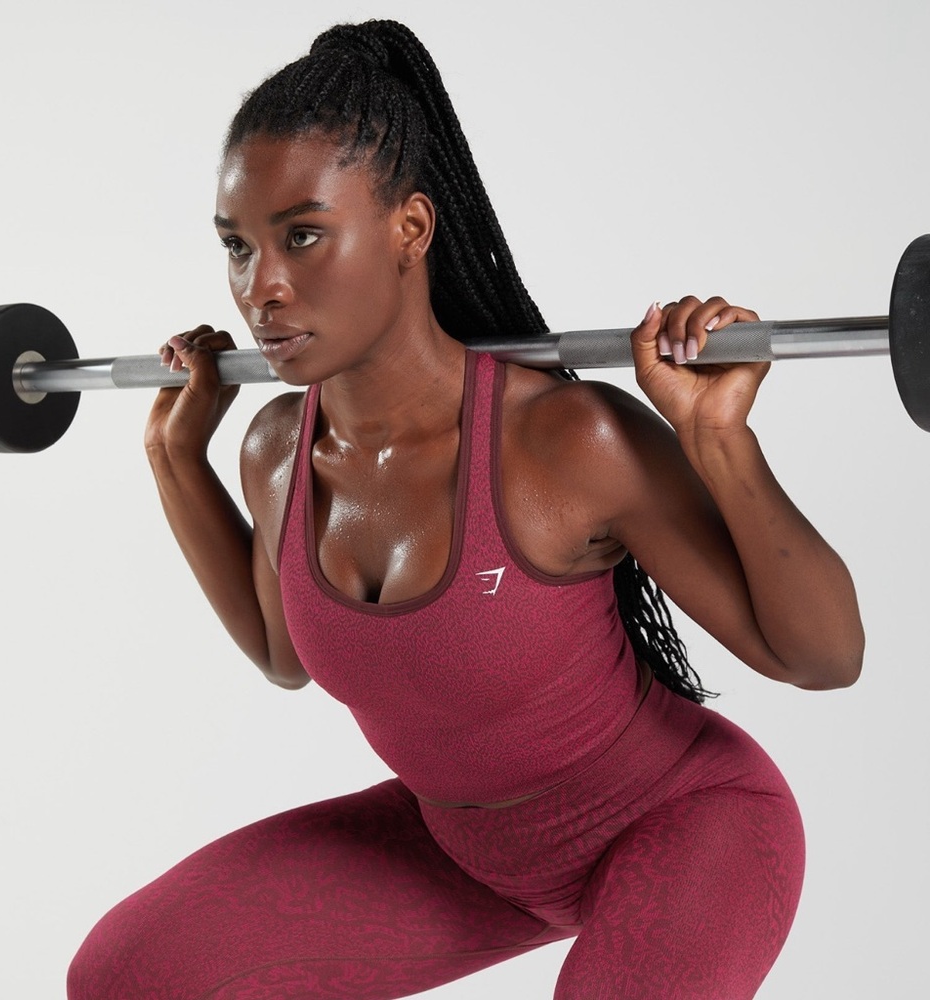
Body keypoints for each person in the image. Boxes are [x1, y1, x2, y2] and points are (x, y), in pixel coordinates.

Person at [67, 18, 863, 1000]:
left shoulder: (564, 440)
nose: (260, 289)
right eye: (238, 246)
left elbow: (824, 657)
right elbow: (284, 654)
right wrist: (173, 457)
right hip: (462, 849)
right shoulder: (276, 446)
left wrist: (718, 441)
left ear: (407, 229)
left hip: (682, 824)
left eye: (303, 236)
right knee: (132, 974)